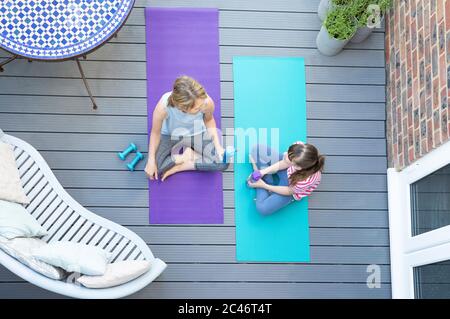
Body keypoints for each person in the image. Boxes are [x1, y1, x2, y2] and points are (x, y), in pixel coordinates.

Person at [145, 75, 229, 181]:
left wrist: (218, 147)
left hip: (197, 132)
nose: (202, 107)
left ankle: (185, 160)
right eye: (198, 108)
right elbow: (155, 133)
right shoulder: (163, 107)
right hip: (171, 135)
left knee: (223, 162)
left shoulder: (206, 102)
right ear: (182, 107)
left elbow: (209, 120)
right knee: (156, 168)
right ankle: (183, 157)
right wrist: (151, 161)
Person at [247, 142, 325, 215]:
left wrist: (264, 186)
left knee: (262, 208)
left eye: (289, 158)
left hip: (290, 187)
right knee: (257, 149)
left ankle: (264, 182)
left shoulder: (306, 181)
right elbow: (284, 163)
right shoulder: (300, 147)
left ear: (298, 167)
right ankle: (266, 180)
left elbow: (289, 191)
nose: (285, 156)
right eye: (288, 152)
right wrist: (263, 172)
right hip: (287, 170)